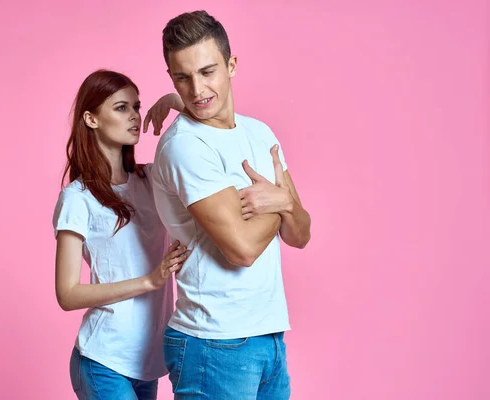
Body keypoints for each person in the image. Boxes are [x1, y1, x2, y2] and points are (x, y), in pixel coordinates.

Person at [151, 11, 312, 399]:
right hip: (214, 342)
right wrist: (281, 202)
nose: (197, 89)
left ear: (232, 65)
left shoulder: (260, 133)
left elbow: (301, 234)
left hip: (268, 335)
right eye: (182, 78)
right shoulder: (185, 147)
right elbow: (241, 249)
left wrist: (284, 204)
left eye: (208, 72)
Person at [52, 69, 189, 400]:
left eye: (137, 106)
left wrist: (176, 101)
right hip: (104, 359)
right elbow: (67, 294)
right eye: (121, 107)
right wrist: (149, 281)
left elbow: (205, 145)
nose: (135, 116)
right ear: (91, 119)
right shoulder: (78, 198)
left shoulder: (151, 180)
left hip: (148, 362)